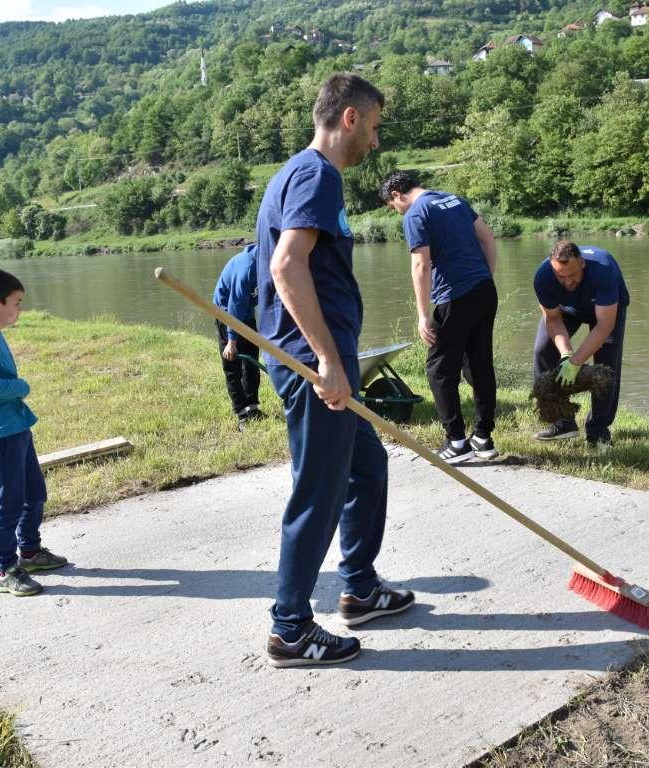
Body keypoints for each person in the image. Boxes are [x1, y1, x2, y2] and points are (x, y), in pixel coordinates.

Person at [256, 72, 414, 668]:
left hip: (317, 356)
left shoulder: (298, 175)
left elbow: (270, 267)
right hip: (313, 364)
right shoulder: (316, 176)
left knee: (367, 467)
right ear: (349, 118)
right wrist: (323, 359)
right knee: (317, 493)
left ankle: (360, 588)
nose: (375, 141)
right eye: (373, 127)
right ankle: (290, 628)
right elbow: (285, 265)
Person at [379, 169, 500, 464]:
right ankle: (483, 438)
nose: (397, 213)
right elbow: (487, 239)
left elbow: (420, 264)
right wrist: (485, 277)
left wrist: (423, 315)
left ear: (397, 194)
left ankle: (457, 442)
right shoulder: (454, 200)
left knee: (439, 371)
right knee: (479, 365)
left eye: (392, 207)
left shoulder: (416, 213)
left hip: (453, 298)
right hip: (485, 291)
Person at [0, 268, 69, 597]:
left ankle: (29, 551)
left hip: (16, 426)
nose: (20, 309)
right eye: (17, 303)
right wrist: (20, 386)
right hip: (0, 434)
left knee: (34, 493)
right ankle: (6, 568)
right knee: (8, 503)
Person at [532, 240, 629, 448]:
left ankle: (598, 432)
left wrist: (576, 362)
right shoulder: (543, 277)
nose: (567, 282)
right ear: (552, 268)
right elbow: (553, 319)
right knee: (542, 350)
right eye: (561, 276)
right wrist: (566, 354)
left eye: (573, 275)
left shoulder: (604, 270)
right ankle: (563, 423)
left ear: (583, 264)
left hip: (605, 310)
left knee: (606, 363)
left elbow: (604, 326)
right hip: (567, 310)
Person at [212, 244, 264, 428]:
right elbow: (235, 304)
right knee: (232, 362)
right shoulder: (247, 267)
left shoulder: (273, 262)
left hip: (247, 313)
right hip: (227, 313)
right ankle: (241, 413)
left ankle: (253, 408)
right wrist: (232, 341)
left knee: (251, 362)